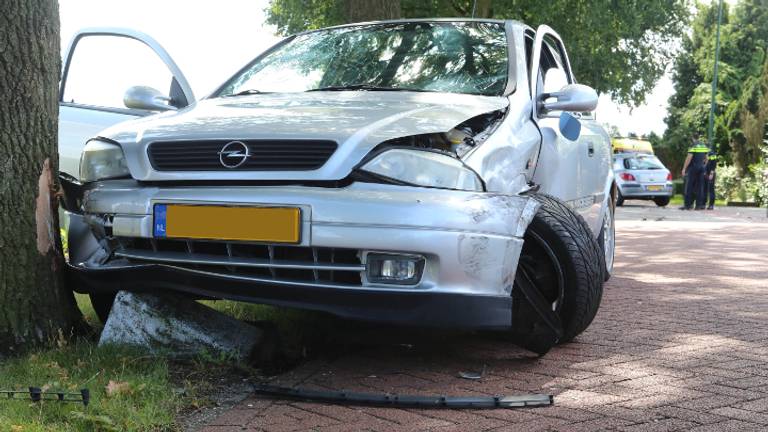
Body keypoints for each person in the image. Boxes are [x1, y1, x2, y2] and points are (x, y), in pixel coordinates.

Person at [680, 133, 709, 210]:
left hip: (693, 168)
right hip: (701, 168)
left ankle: (688, 205)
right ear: (698, 137)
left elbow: (689, 158)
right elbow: (707, 158)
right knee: (700, 187)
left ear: (692, 138)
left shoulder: (693, 146)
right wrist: (703, 165)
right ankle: (698, 206)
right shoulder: (703, 145)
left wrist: (684, 168)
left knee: (689, 186)